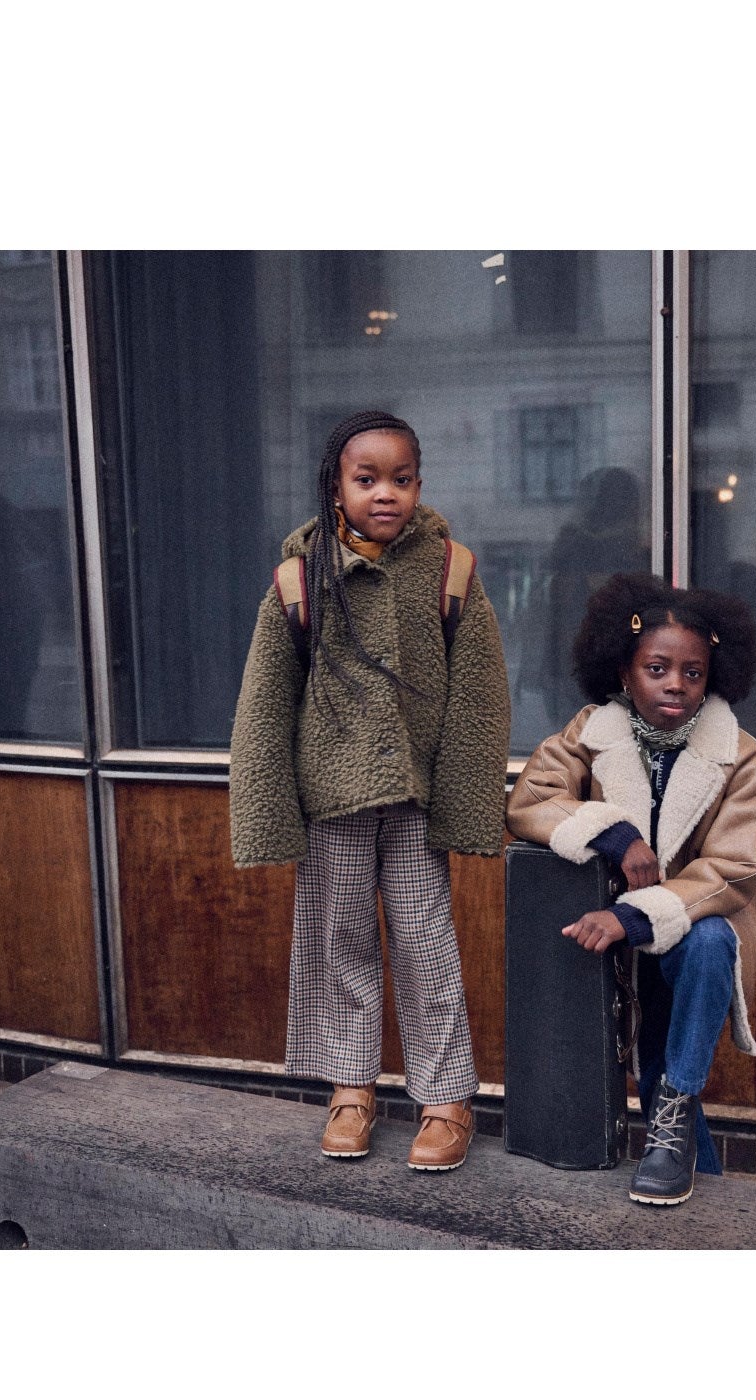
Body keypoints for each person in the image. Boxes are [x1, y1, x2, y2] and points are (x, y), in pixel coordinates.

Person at [229, 410, 510, 1172]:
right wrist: (268, 812)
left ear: (420, 483)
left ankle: (447, 1100)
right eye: (367, 479)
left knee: (426, 943)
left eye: (402, 478)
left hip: (415, 801)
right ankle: (350, 1089)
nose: (386, 492)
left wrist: (466, 801)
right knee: (340, 941)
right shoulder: (299, 579)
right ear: (336, 486)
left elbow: (479, 694)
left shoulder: (450, 570)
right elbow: (264, 704)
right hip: (333, 804)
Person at [506, 573, 756, 1206]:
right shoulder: (591, 732)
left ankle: (673, 1120)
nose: (676, 684)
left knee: (710, 943)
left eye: (693, 672)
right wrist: (615, 835)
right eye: (657, 668)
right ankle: (683, 1158)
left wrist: (639, 915)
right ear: (625, 671)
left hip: (689, 935)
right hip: (608, 943)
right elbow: (530, 800)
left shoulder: (742, 756)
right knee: (653, 1065)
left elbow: (734, 869)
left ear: (712, 677)